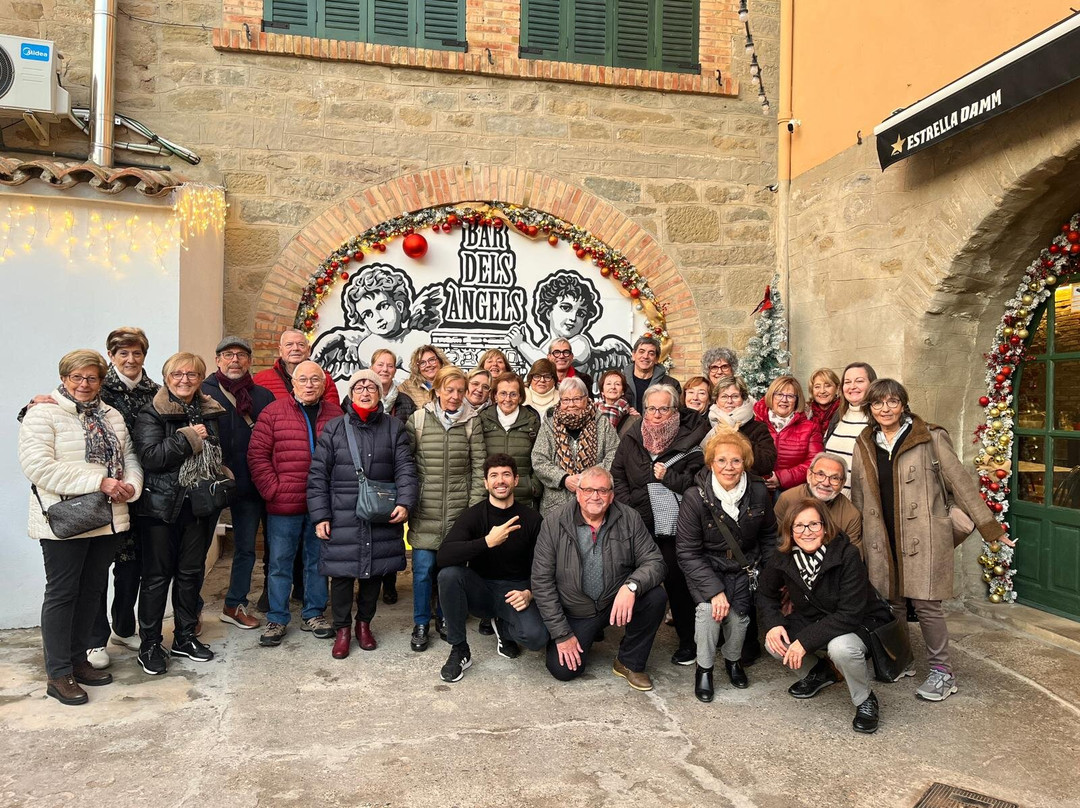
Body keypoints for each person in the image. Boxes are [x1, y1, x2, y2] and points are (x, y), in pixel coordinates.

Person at [850, 379, 1007, 702]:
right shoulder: (865, 442)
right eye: (878, 403)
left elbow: (960, 484)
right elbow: (858, 496)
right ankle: (901, 659)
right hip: (882, 536)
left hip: (923, 535)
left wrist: (992, 530)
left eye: (892, 402)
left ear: (903, 404)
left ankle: (942, 672)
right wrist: (858, 542)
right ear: (870, 408)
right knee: (890, 602)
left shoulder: (930, 437)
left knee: (926, 604)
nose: (885, 409)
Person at [18, 350, 142, 705]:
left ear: (102, 381)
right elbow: (39, 467)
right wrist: (101, 480)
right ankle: (58, 674)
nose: (85, 385)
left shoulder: (112, 414)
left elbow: (129, 455)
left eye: (92, 378)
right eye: (77, 378)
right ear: (65, 378)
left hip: (107, 518)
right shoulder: (43, 414)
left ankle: (78, 661)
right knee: (62, 594)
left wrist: (130, 485)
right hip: (65, 519)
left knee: (92, 590)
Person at [308, 369, 418, 658]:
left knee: (375, 573)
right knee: (342, 575)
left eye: (371, 387)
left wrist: (405, 502)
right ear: (351, 394)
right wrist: (321, 516)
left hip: (381, 511)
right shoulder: (334, 428)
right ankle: (342, 629)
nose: (365, 392)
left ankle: (364, 625)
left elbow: (405, 468)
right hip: (342, 514)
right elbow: (318, 474)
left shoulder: (394, 427)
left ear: (379, 394)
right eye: (359, 388)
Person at [759, 499, 892, 733]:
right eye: (799, 526)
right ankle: (821, 672)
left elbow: (850, 613)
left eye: (813, 525)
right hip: (815, 617)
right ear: (790, 530)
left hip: (860, 622)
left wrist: (804, 642)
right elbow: (765, 594)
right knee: (775, 643)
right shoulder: (783, 557)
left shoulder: (847, 555)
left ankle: (865, 700)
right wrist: (773, 624)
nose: (806, 532)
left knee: (840, 648)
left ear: (825, 527)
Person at [531, 466, 667, 690]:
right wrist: (562, 634)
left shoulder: (629, 518)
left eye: (603, 491)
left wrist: (631, 586)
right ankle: (576, 636)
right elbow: (542, 582)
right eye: (589, 490)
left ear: (611, 495)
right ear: (578, 493)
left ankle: (629, 662)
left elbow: (655, 561)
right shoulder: (554, 523)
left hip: (613, 601)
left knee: (655, 596)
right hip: (576, 610)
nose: (596, 496)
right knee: (564, 671)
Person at [133, 352, 227, 675]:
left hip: (198, 506)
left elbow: (214, 450)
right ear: (167, 377)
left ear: (201, 379)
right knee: (157, 578)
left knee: (190, 574)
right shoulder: (153, 412)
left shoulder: (209, 410)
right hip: (161, 508)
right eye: (178, 374)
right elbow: (151, 457)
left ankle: (184, 637)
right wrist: (187, 438)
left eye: (192, 374)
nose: (185, 379)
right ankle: (149, 644)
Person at [676, 429, 777, 700]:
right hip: (707, 566)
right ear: (711, 463)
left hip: (745, 567)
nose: (728, 467)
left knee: (739, 616)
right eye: (721, 461)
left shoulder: (757, 492)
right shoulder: (694, 498)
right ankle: (704, 669)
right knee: (710, 611)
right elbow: (687, 552)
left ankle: (732, 661)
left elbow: (769, 536)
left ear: (745, 462)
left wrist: (767, 573)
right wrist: (713, 590)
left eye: (735, 461)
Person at [247, 361, 342, 648]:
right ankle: (277, 617)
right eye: (304, 379)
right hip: (284, 503)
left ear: (324, 384)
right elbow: (257, 456)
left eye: (316, 379)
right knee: (279, 564)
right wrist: (272, 490)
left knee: (317, 561)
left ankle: (314, 613)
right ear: (293, 383)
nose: (310, 384)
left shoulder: (336, 415)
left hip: (322, 506)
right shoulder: (273, 413)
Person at [612, 384, 708, 666]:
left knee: (677, 584)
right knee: (634, 582)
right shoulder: (632, 435)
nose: (656, 414)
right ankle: (633, 640)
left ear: (674, 410)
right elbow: (617, 473)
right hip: (638, 522)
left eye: (663, 408)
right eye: (651, 408)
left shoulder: (691, 439)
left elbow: (697, 484)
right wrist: (629, 505)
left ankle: (688, 641)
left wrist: (668, 479)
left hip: (675, 526)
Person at [436, 454, 549, 682]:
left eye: (506, 474)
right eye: (494, 476)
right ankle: (459, 649)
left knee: (537, 639)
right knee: (449, 574)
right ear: (486, 483)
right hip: (482, 590)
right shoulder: (474, 516)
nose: (500, 480)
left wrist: (530, 592)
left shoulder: (532, 519)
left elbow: (546, 565)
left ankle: (503, 626)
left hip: (516, 592)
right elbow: (443, 556)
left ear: (516, 480)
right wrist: (486, 542)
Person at [91, 328, 160, 663]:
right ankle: (95, 638)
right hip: (102, 492)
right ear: (111, 356)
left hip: (143, 492)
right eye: (123, 354)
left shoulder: (156, 392)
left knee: (133, 565)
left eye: (137, 353)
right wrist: (35, 402)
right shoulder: (96, 389)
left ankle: (123, 626)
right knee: (97, 566)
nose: (131, 360)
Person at [406, 365, 486, 651]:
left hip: (458, 511)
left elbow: (479, 467)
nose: (454, 396)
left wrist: (473, 506)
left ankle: (445, 618)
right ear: (436, 389)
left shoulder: (471, 422)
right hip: (425, 509)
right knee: (423, 570)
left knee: (449, 570)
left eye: (460, 391)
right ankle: (420, 622)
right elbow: (408, 464)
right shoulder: (417, 420)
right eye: (449, 390)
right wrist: (411, 498)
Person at [202, 336, 275, 631]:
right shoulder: (202, 392)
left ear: (249, 361)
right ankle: (189, 611)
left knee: (245, 548)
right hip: (209, 483)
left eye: (241, 355)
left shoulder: (262, 397)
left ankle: (234, 604)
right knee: (198, 548)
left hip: (249, 484)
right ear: (218, 360)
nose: (235, 360)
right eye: (228, 354)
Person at [532, 377, 620, 518]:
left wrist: (589, 480)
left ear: (586, 398)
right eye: (566, 400)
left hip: (595, 502)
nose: (571, 405)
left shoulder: (601, 423)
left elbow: (615, 454)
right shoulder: (549, 424)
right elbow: (539, 459)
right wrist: (564, 479)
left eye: (577, 399)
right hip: (556, 505)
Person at [369, 347, 415, 604]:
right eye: (380, 364)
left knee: (392, 531)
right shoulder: (358, 394)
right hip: (368, 473)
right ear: (372, 366)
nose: (385, 369)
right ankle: (369, 581)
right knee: (369, 528)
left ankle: (389, 582)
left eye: (390, 365)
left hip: (394, 473)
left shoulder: (405, 401)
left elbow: (412, 437)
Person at [774, 452, 862, 551]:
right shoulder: (788, 499)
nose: (826, 483)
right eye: (820, 475)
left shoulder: (851, 515)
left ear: (842, 483)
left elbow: (853, 555)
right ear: (809, 475)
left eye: (834, 478)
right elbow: (776, 540)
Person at [479, 372, 542, 510]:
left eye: (513, 394)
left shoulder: (532, 422)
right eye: (503, 393)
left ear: (520, 397)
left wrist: (532, 487)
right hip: (491, 498)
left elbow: (540, 457)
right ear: (495, 396)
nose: (508, 399)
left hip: (523, 498)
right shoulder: (482, 419)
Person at [753, 375, 823, 494]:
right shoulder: (756, 423)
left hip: (793, 493)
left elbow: (814, 463)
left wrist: (781, 478)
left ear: (797, 400)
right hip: (758, 491)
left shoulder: (810, 428)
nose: (784, 400)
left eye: (790, 396)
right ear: (771, 396)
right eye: (779, 394)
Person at [701, 374, 776, 478]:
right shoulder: (706, 425)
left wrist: (737, 436)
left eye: (735, 396)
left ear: (743, 399)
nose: (729, 401)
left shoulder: (758, 428)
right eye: (724, 396)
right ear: (716, 400)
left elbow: (767, 464)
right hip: (710, 483)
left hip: (747, 483)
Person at [824, 362, 877, 497]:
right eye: (847, 382)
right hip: (831, 500)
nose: (852, 386)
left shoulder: (878, 419)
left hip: (861, 503)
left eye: (859, 381)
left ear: (872, 384)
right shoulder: (838, 416)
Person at [253, 328, 338, 404]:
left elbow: (332, 415)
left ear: (308, 350)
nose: (295, 348)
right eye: (289, 344)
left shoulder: (324, 379)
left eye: (301, 344)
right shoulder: (261, 379)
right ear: (280, 351)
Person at [621, 336, 681, 412]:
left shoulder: (671, 384)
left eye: (651, 353)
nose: (645, 356)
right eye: (641, 352)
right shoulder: (619, 381)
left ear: (656, 359)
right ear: (633, 355)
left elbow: (676, 414)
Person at [399, 344, 450, 408]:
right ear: (417, 367)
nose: (428, 365)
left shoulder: (454, 382)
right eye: (422, 363)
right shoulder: (407, 387)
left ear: (440, 361)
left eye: (432, 360)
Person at [594, 368, 639, 437]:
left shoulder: (634, 417)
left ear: (623, 391)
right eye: (608, 384)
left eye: (617, 384)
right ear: (602, 391)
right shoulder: (592, 412)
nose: (613, 387)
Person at [807, 367, 841, 440]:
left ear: (837, 388)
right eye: (817, 387)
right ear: (812, 390)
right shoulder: (805, 413)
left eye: (828, 386)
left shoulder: (844, 411)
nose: (822, 391)